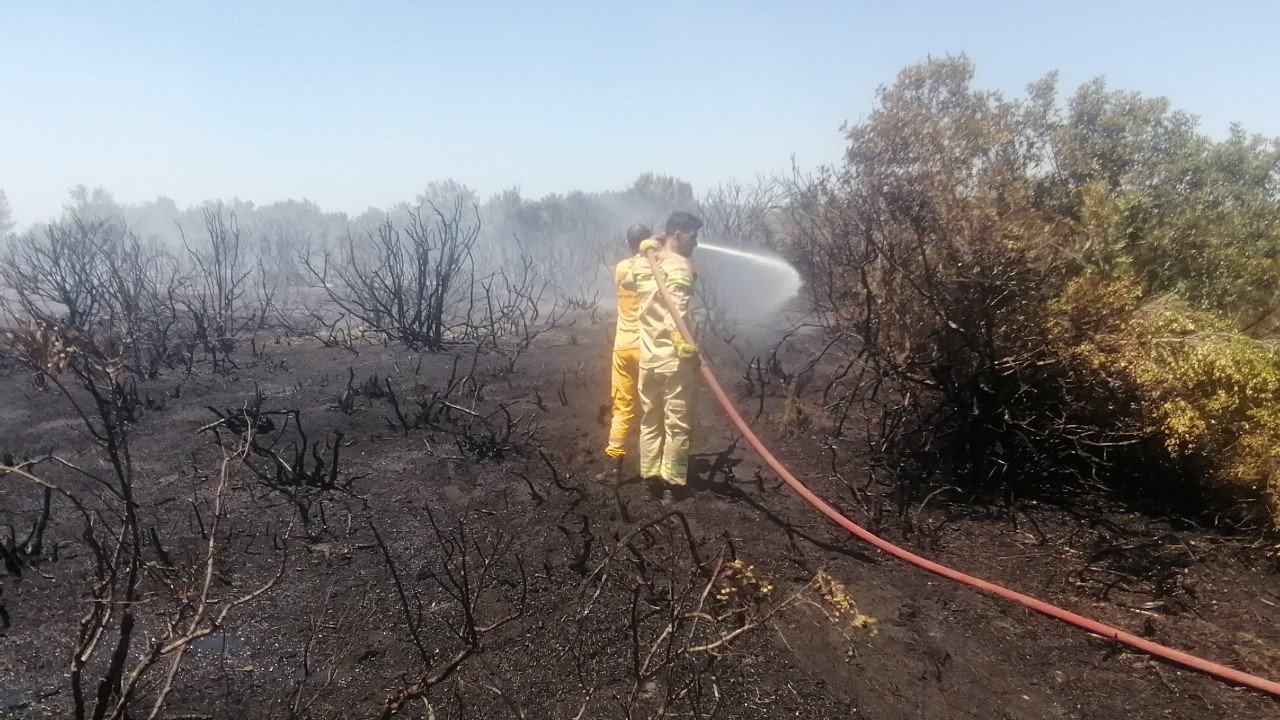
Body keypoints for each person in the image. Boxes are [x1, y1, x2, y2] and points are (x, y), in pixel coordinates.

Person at [634, 211, 702, 504]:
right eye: (694, 236)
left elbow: (633, 279)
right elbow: (678, 314)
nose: (696, 243)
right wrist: (686, 348)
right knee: (677, 423)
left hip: (648, 357)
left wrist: (651, 246)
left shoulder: (643, 264)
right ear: (679, 234)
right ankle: (672, 487)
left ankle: (649, 481)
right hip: (674, 360)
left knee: (650, 419)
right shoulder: (681, 267)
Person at [602, 223, 652, 482]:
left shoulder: (621, 268)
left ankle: (613, 470)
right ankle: (652, 470)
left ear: (628, 243)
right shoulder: (655, 269)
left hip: (623, 346)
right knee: (653, 408)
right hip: (648, 347)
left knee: (622, 406)